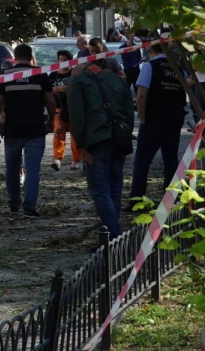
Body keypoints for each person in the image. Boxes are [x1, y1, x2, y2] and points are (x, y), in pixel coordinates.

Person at [67, 57, 135, 237]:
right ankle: (113, 235)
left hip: (96, 142)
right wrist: (126, 136)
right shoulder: (117, 80)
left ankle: (113, 236)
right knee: (115, 187)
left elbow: (77, 116)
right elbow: (129, 111)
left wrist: (81, 145)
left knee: (99, 190)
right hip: (119, 139)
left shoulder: (78, 82)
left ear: (81, 71)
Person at [0, 44, 56, 217]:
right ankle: (29, 206)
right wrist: (51, 120)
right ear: (31, 57)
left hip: (12, 129)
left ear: (14, 57)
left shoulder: (5, 75)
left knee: (12, 168)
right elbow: (50, 101)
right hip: (35, 129)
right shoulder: (40, 74)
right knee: (32, 168)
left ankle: (13, 203)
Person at [128, 41, 187, 206]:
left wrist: (141, 117)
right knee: (170, 159)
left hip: (154, 119)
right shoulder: (178, 69)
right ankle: (171, 199)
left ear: (149, 49)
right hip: (174, 120)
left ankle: (137, 199)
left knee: (143, 159)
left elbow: (141, 94)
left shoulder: (150, 66)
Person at [50, 49, 82, 171]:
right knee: (58, 134)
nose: (62, 62)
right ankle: (57, 159)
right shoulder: (53, 75)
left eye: (65, 60)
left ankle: (76, 160)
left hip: (73, 108)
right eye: (60, 60)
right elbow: (47, 91)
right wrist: (59, 89)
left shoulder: (74, 73)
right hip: (59, 108)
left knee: (75, 136)